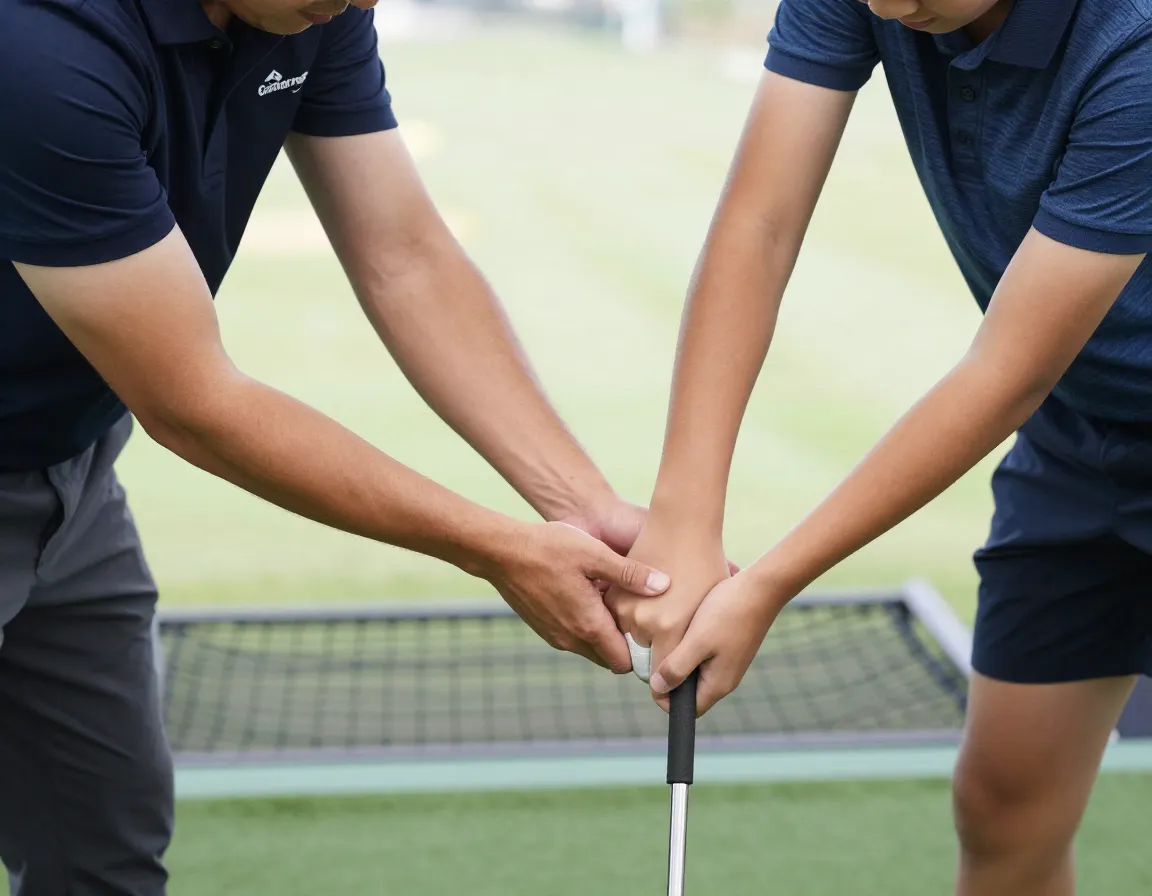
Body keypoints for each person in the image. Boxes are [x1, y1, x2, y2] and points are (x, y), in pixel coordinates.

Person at [0, 1, 674, 892]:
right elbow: (193, 401)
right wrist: (500, 549)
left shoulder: (316, 7)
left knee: (106, 852)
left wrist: (580, 508)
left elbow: (405, 254)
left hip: (71, 468)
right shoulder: (37, 47)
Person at [606, 0, 1152, 893]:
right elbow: (760, 224)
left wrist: (770, 581)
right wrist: (685, 515)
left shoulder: (1134, 42)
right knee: (1003, 805)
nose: (895, 9)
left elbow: (1004, 373)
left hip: (1047, 385)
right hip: (1080, 437)